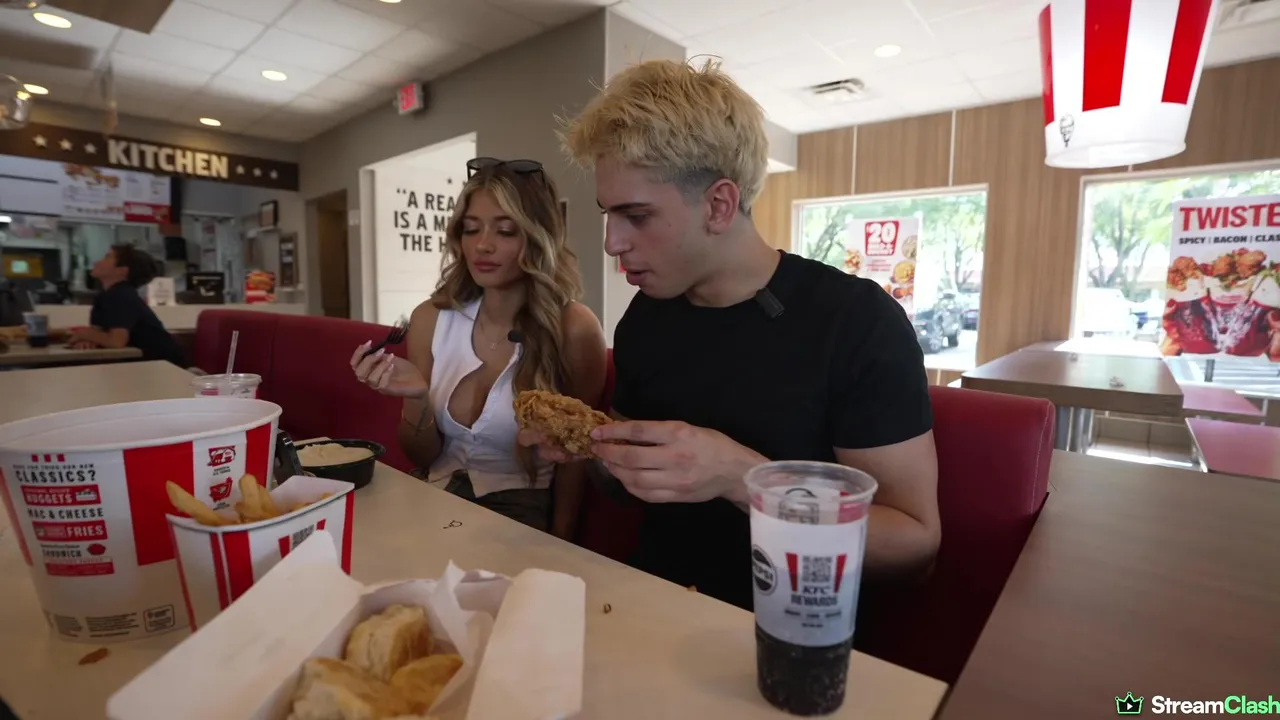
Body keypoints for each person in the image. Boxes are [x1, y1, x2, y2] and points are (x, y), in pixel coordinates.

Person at [520, 59, 941, 611]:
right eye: (608, 215)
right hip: (652, 604)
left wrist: (745, 479)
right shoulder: (646, 318)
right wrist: (591, 452)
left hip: (790, 622)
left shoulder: (856, 322)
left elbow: (913, 545)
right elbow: (626, 485)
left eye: (636, 216)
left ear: (719, 205)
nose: (612, 243)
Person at [352, 158, 607, 538]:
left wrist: (561, 541)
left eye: (505, 231)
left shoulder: (574, 327)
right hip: (431, 492)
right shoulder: (431, 318)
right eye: (471, 229)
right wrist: (418, 399)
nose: (482, 245)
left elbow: (576, 457)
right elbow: (421, 456)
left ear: (538, 237)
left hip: (519, 509)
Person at [68, 244, 186, 366]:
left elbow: (116, 341)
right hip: (146, 365)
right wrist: (88, 340)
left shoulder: (121, 295)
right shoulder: (104, 296)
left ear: (122, 271)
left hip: (165, 366)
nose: (97, 262)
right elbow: (97, 331)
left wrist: (84, 334)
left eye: (107, 257)